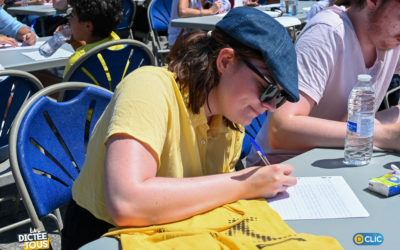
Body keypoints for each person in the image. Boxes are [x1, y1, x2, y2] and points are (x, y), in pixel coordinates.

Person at [61, 6, 300, 249]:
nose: (270, 106)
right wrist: (244, 183)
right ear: (225, 61)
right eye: (268, 89)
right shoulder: (149, 87)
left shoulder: (231, 118)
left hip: (173, 232)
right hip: (104, 236)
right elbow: (126, 202)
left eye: (279, 98)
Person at [247, 0, 400, 166]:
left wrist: (385, 128)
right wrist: (384, 135)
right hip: (282, 169)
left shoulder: (390, 38)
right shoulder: (327, 33)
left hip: (344, 160)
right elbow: (280, 130)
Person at [61, 0, 122, 77]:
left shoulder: (76, 63)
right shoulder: (117, 41)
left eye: (71, 16)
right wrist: (75, 42)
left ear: (88, 26)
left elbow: (65, 88)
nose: (68, 20)